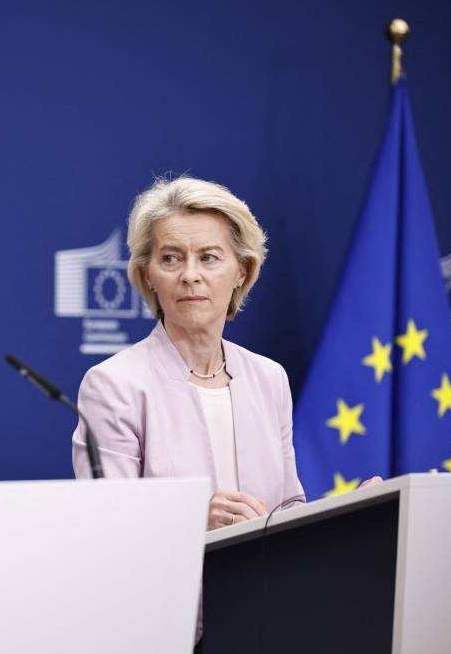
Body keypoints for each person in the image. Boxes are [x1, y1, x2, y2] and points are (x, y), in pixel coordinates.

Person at [73, 176, 304, 526]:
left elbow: (287, 510)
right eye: (170, 259)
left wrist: (354, 512)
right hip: (165, 580)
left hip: (263, 580)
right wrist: (193, 519)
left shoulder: (269, 378)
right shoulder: (113, 385)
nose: (190, 275)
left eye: (209, 258)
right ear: (148, 274)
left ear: (242, 270)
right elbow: (105, 524)